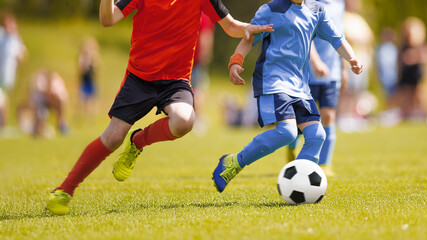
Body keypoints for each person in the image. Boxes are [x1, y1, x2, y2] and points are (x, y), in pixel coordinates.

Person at [45, 0, 274, 215]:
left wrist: (249, 28)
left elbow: (230, 25)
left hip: (176, 81)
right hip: (139, 78)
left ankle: (138, 142)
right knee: (113, 137)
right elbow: (108, 19)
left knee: (185, 121)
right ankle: (65, 189)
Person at [212, 0, 363, 193]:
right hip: (273, 81)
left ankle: (298, 184)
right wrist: (236, 61)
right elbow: (249, 38)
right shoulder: (270, 10)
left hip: (300, 86)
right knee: (287, 132)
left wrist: (352, 58)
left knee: (317, 135)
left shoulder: (317, 11)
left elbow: (337, 39)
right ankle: (233, 162)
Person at [286, 0, 346, 177]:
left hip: (332, 73)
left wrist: (344, 69)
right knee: (302, 119)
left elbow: (340, 35)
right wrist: (316, 61)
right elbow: (305, 34)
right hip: (308, 72)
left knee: (328, 115)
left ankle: (325, 163)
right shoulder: (307, 3)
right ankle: (292, 145)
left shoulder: (339, 4)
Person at [337, 0, 374, 132]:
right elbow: (343, 37)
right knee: (347, 91)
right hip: (349, 61)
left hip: (362, 60)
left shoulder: (359, 19)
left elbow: (369, 36)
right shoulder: (343, 17)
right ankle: (343, 116)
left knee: (357, 91)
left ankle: (352, 116)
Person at [396, 17, 427, 120]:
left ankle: (424, 114)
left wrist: (413, 57)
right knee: (406, 95)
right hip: (406, 73)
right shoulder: (403, 44)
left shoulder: (422, 44)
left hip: (416, 72)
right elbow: (400, 59)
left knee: (418, 94)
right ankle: (408, 115)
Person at [17, 69, 70, 137]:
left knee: (55, 106)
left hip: (48, 102)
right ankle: (37, 127)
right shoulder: (39, 92)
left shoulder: (58, 91)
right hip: (41, 103)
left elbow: (61, 100)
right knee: (40, 119)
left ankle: (61, 124)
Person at [0, 13, 26, 129]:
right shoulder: (1, 35)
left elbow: (22, 54)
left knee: (4, 97)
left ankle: (3, 122)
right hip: (2, 73)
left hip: (8, 74)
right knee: (2, 96)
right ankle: (3, 122)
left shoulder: (15, 39)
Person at [191, 13, 215, 135]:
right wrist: (206, 54)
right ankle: (198, 119)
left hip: (183, 60)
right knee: (198, 89)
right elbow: (206, 36)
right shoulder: (203, 16)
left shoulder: (186, 12)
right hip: (195, 61)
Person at [78, 37, 100, 116]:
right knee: (83, 98)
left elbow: (96, 69)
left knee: (92, 98)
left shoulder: (94, 58)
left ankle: (90, 115)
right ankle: (81, 114)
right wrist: (86, 60)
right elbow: (82, 69)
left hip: (91, 81)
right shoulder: (82, 58)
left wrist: (92, 59)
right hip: (84, 81)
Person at [376, 27, 398, 101]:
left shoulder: (383, 48)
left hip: (389, 77)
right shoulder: (388, 48)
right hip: (388, 77)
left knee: (391, 96)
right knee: (389, 96)